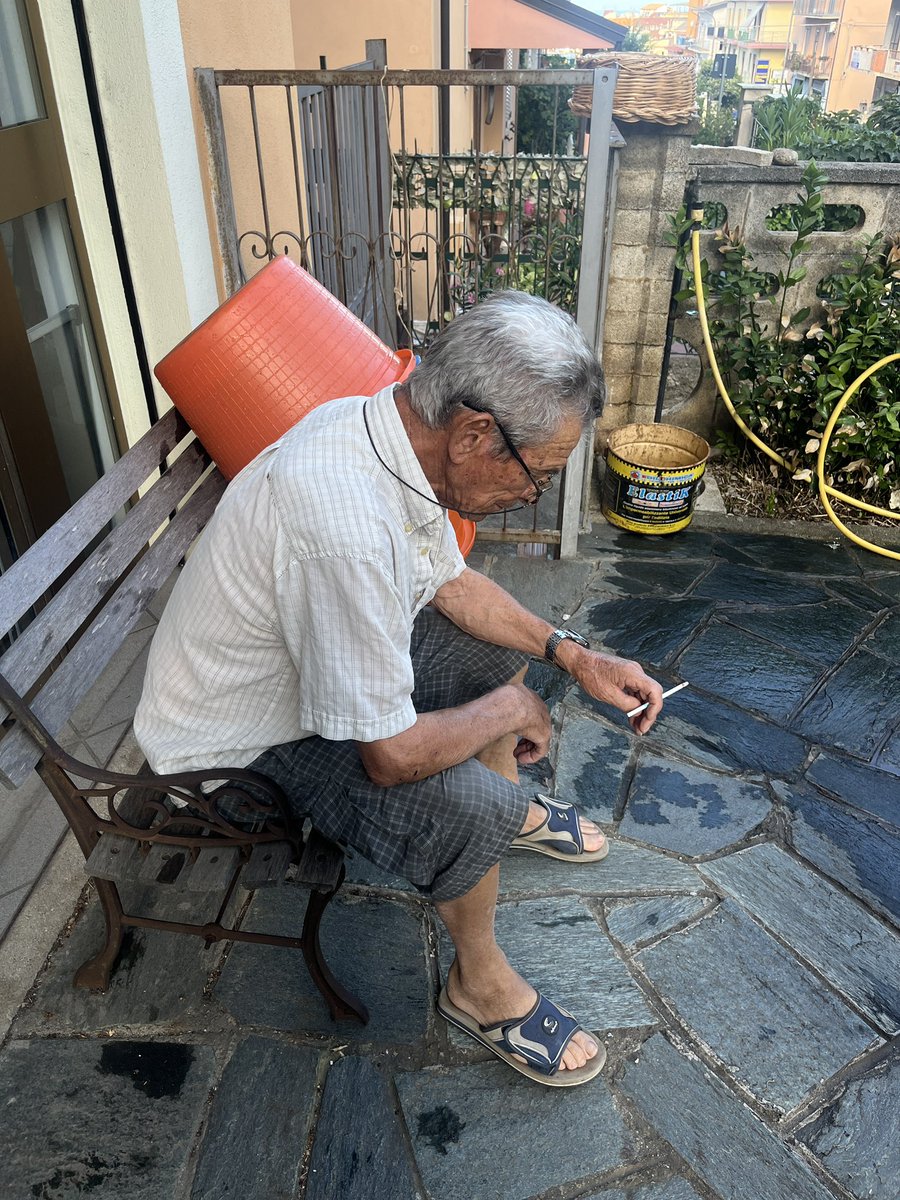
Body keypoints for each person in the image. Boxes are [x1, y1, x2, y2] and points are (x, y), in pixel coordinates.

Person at [134, 290, 663, 1088]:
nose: (535, 495)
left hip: (290, 675)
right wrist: (515, 708)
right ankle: (478, 987)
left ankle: (503, 814)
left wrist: (574, 656)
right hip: (232, 749)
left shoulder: (387, 433)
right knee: (473, 794)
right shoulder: (342, 522)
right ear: (475, 435)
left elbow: (449, 584)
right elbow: (387, 757)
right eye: (539, 475)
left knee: (492, 657)